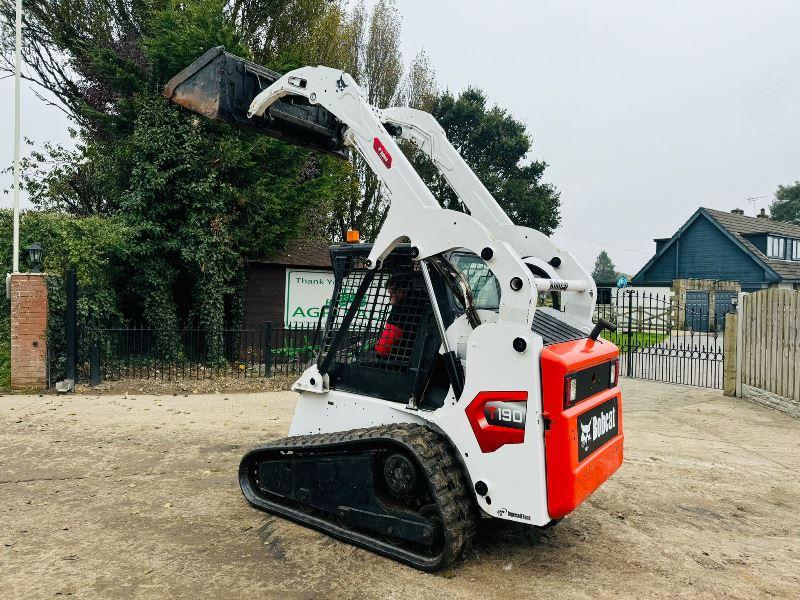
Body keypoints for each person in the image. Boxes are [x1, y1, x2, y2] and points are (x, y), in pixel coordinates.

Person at [374, 272, 424, 359]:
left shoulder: (400, 310)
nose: (389, 298)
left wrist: (376, 346)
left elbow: (382, 349)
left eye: (390, 294)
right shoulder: (422, 301)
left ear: (400, 292)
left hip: (399, 361)